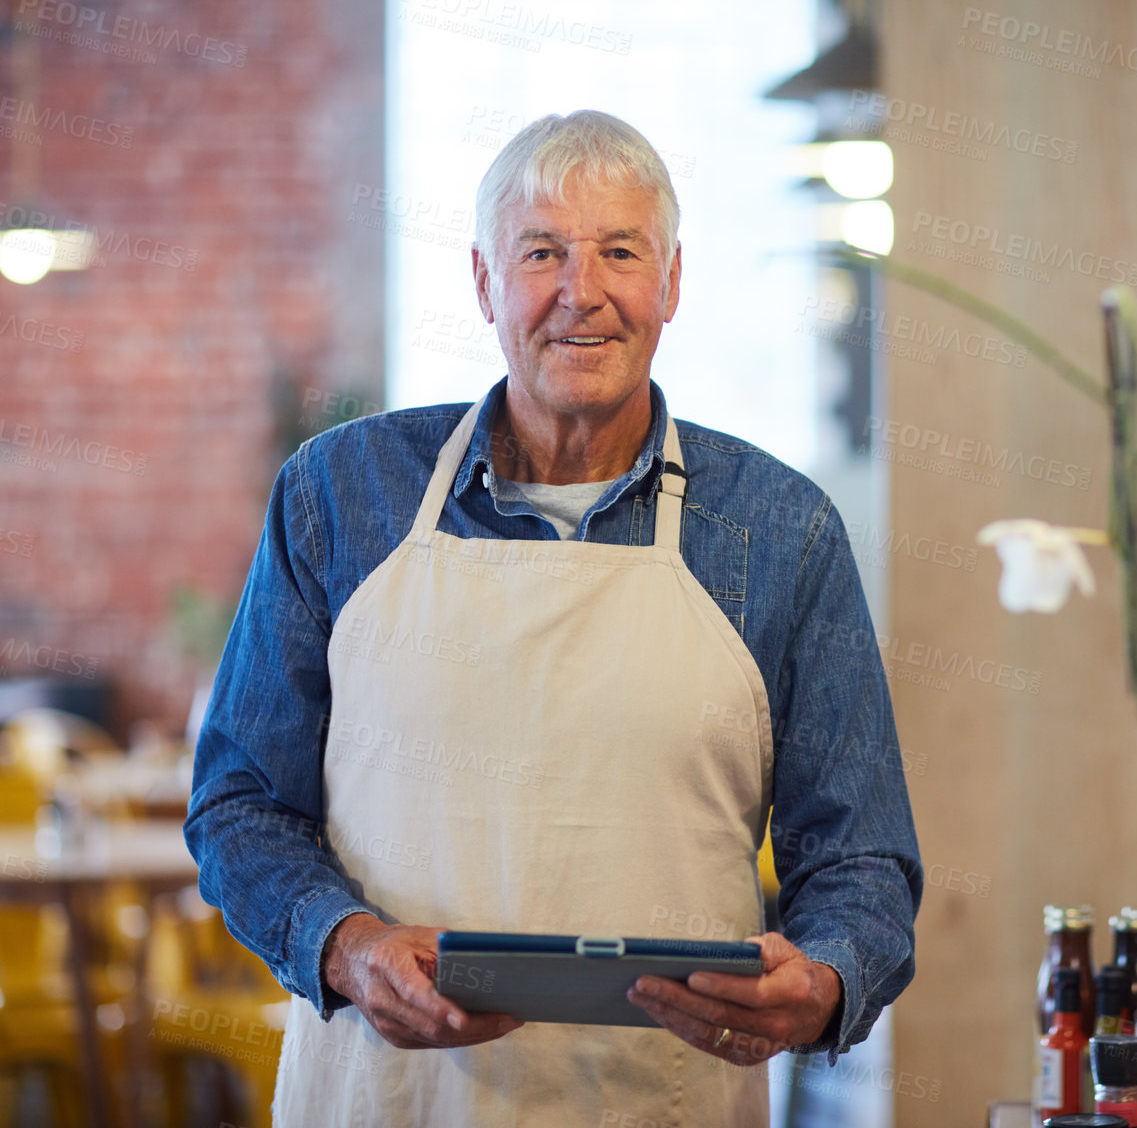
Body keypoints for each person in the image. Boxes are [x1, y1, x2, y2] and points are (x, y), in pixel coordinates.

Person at [184, 109, 921, 1126]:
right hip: (387, 1096)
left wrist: (828, 976)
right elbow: (239, 803)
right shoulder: (339, 494)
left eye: (621, 251)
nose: (583, 291)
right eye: (542, 252)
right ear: (485, 284)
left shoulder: (777, 528)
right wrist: (346, 945)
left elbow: (859, 854)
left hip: (664, 1097)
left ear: (670, 283)